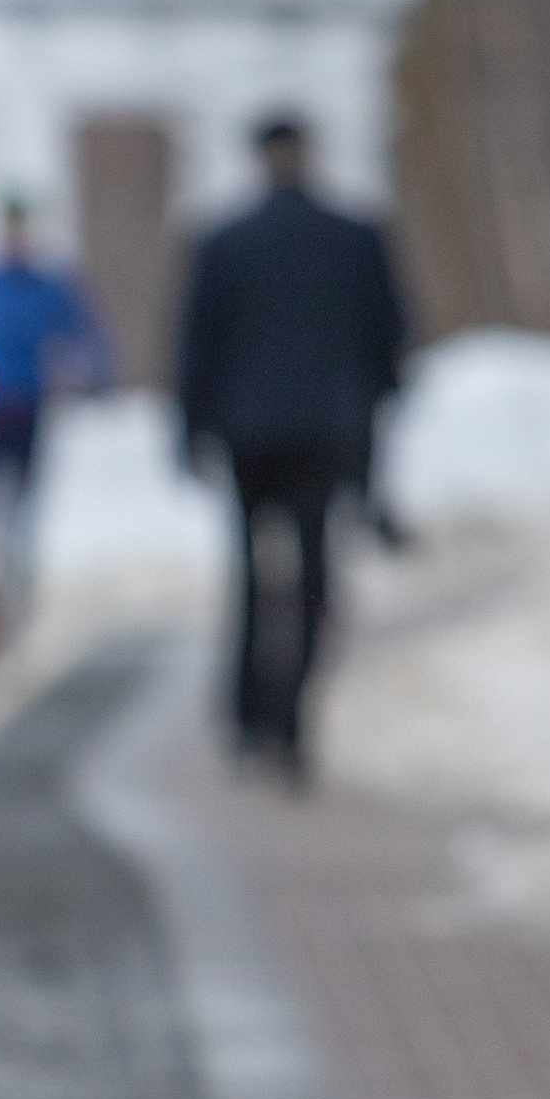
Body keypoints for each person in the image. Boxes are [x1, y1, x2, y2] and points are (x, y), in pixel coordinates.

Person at [173, 114, 408, 778]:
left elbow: (195, 343)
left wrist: (189, 428)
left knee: (250, 573)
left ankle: (250, 715)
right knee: (312, 575)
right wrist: (372, 425)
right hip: (324, 431)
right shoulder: (355, 236)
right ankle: (294, 712)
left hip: (247, 435)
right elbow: (389, 339)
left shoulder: (224, 240)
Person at [0, 200, 113, 658]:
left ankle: (15, 602)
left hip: (29, 410)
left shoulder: (49, 287)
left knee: (22, 513)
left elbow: (88, 337)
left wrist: (92, 374)